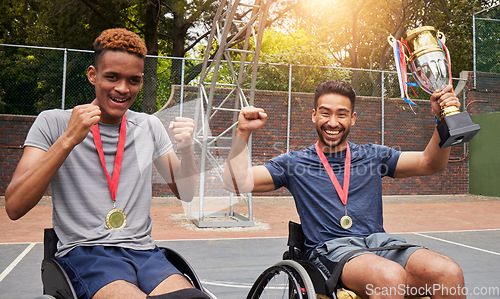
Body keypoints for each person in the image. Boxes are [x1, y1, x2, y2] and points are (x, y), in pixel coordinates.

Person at [5, 28, 209, 299]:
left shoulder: (149, 127)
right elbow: (14, 206)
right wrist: (67, 140)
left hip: (145, 254)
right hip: (86, 254)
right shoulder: (53, 122)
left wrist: (186, 150)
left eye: (133, 80)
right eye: (112, 77)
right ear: (93, 75)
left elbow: (186, 193)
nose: (123, 89)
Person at [223, 80, 465, 298]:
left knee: (448, 272)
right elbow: (237, 182)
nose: (333, 123)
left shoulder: (373, 155)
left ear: (353, 118)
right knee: (389, 278)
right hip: (331, 250)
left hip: (379, 243)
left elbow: (430, 163)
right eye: (325, 114)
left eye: (342, 114)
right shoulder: (293, 164)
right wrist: (243, 132)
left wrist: (443, 119)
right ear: (314, 115)